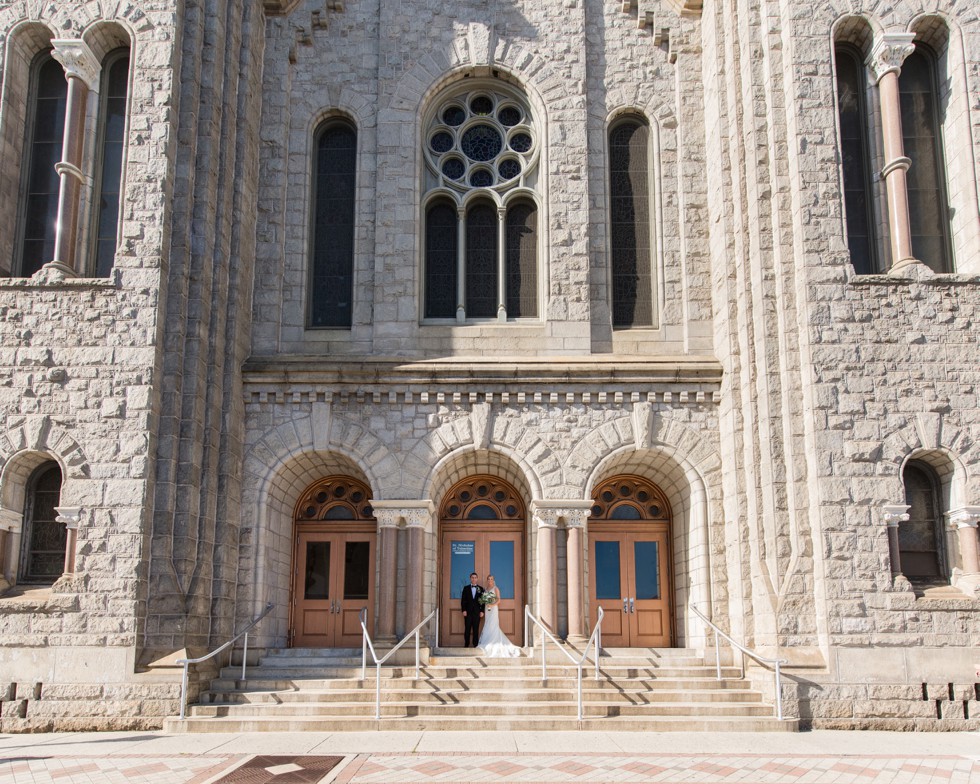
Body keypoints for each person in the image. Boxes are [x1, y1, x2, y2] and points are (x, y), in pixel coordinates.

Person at [477, 575, 522, 657]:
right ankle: (487, 641)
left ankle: (494, 641)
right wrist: (486, 602)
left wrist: (492, 605)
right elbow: (483, 600)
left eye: (491, 579)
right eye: (489, 579)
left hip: (493, 609)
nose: (490, 580)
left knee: (493, 625)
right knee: (487, 624)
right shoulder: (485, 590)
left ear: (493, 580)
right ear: (487, 580)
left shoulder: (496, 589)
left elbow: (499, 600)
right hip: (487, 610)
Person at [460, 571, 484, 648]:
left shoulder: (481, 589)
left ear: (477, 579)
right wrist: (463, 610)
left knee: (475, 629)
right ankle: (466, 644)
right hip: (468, 612)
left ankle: (475, 645)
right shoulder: (466, 588)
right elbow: (463, 600)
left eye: (475, 578)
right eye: (472, 578)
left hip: (477, 612)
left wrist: (482, 611)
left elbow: (482, 601)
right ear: (470, 579)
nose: (474, 579)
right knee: (467, 629)